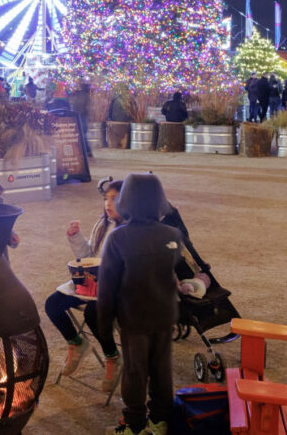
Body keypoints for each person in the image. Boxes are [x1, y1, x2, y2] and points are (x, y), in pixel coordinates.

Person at [100, 173, 182, 435]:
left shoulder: (118, 238)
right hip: (165, 314)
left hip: (134, 317)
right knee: (161, 368)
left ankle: (134, 424)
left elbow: (107, 286)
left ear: (127, 201)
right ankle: (160, 421)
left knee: (135, 371)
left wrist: (104, 322)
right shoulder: (173, 234)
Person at [44, 178, 123, 391]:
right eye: (106, 198)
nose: (108, 203)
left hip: (115, 291)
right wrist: (76, 238)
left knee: (92, 313)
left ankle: (112, 356)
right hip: (92, 282)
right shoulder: (102, 224)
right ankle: (77, 343)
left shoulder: (130, 233)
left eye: (114, 199)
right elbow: (88, 256)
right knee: (52, 304)